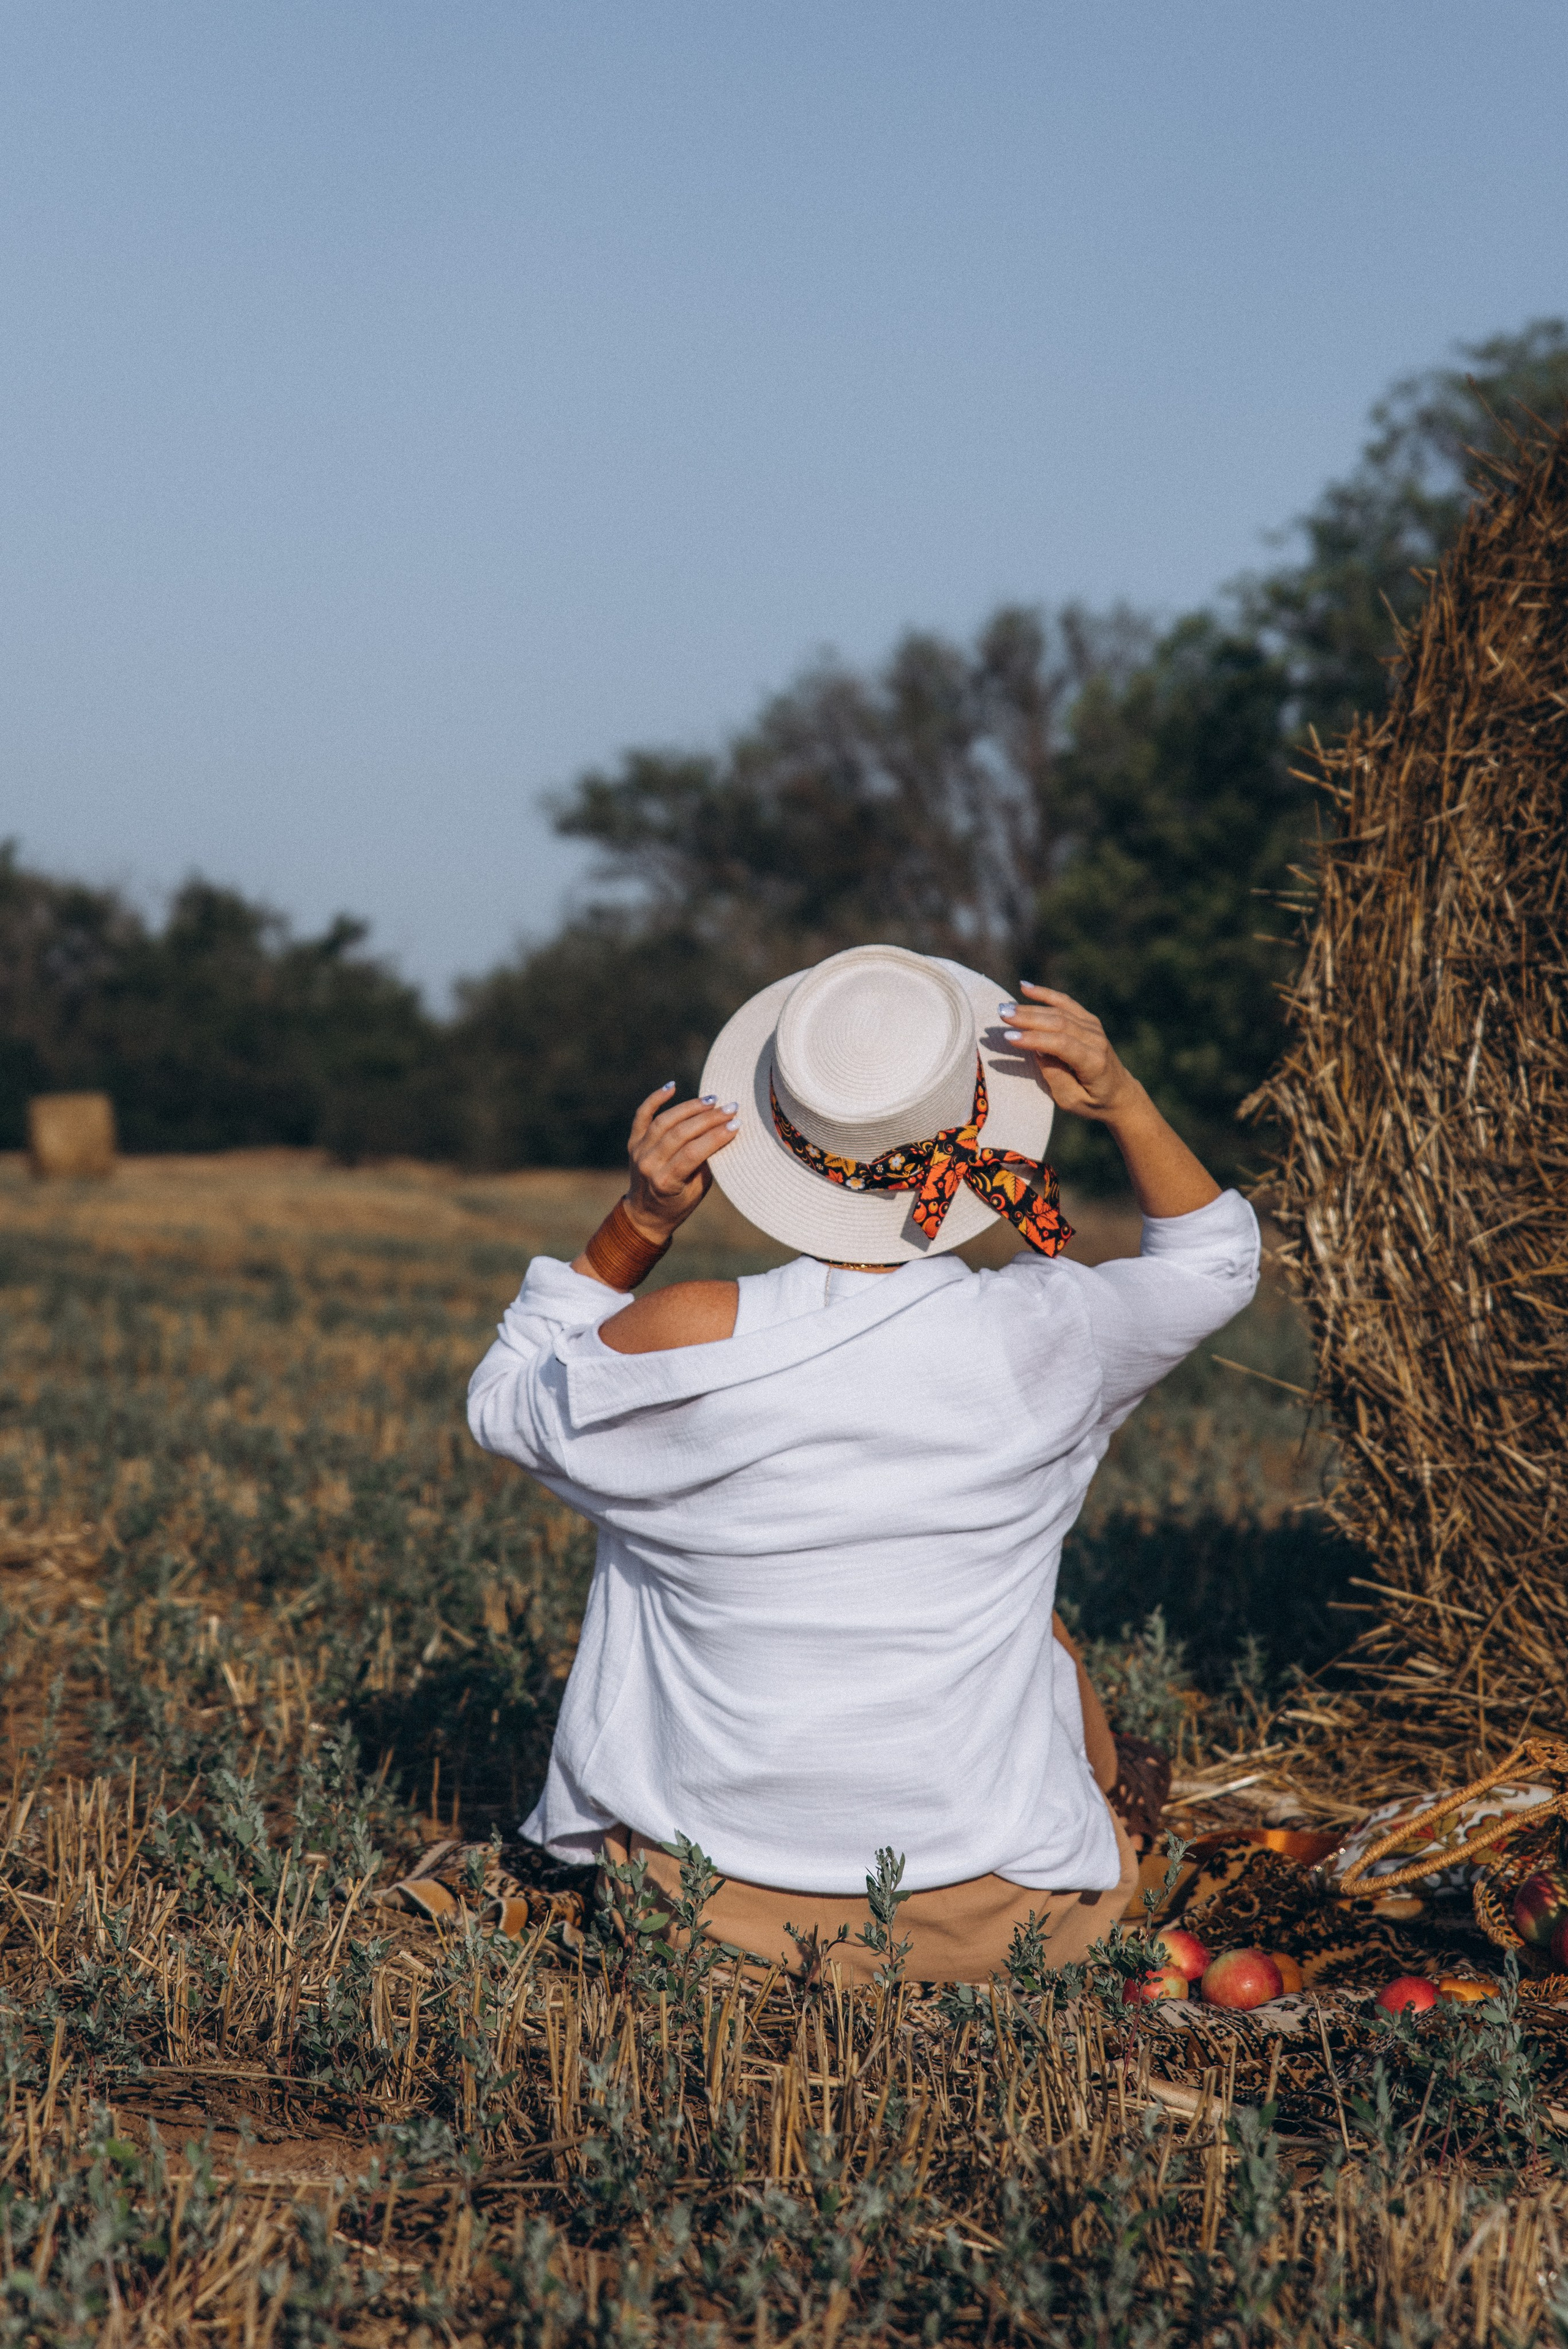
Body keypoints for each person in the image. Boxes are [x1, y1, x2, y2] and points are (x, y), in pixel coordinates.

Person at [468, 944, 1259, 1982]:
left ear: (776, 1141)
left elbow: (501, 1401)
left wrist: (641, 1223)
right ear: (982, 1128)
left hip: (706, 1914)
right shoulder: (1050, 1329)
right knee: (1048, 1639)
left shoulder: (686, 1335)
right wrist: (1123, 1102)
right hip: (1002, 1920)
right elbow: (1214, 1261)